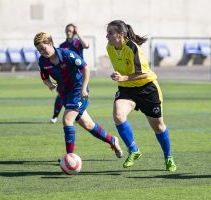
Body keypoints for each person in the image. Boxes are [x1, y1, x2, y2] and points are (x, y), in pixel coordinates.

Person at [34, 32, 123, 158]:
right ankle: (112, 140)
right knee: (88, 125)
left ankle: (70, 156)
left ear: (50, 43)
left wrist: (83, 89)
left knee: (67, 120)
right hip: (65, 93)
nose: (42, 52)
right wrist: (49, 84)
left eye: (43, 48)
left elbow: (85, 68)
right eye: (39, 51)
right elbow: (44, 77)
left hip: (78, 90)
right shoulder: (42, 61)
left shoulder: (66, 54)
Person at [106, 20, 177, 171]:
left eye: (110, 33)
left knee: (158, 127)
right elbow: (123, 70)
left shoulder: (133, 48)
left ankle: (168, 157)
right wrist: (119, 76)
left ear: (120, 34)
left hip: (147, 89)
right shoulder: (110, 47)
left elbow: (143, 73)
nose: (107, 36)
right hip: (127, 90)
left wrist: (124, 77)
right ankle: (133, 150)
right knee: (118, 115)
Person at [50, 24, 89, 124]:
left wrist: (78, 34)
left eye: (71, 31)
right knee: (61, 95)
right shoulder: (62, 46)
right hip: (66, 75)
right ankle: (55, 115)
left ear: (74, 32)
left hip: (79, 75)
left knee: (80, 95)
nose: (69, 32)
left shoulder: (78, 43)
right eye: (67, 31)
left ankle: (78, 114)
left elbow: (86, 45)